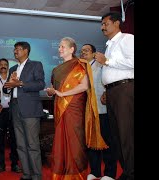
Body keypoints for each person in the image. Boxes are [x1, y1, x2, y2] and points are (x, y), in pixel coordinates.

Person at [45, 37, 108, 180]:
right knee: (61, 142)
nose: (59, 49)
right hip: (60, 108)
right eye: (59, 47)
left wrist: (62, 93)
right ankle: (61, 173)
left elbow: (84, 86)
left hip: (74, 109)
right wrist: (52, 92)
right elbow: (55, 89)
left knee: (75, 142)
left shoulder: (80, 65)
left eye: (62, 47)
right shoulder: (56, 69)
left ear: (72, 49)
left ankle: (75, 175)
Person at [94, 12, 134, 180]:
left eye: (105, 23)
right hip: (112, 92)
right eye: (102, 24)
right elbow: (112, 72)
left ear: (117, 23)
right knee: (116, 136)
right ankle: (127, 171)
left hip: (125, 90)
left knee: (126, 134)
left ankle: (131, 173)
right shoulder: (109, 45)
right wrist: (107, 91)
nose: (102, 27)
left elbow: (133, 62)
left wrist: (107, 62)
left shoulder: (127, 39)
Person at [3, 41, 45, 180]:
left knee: (32, 144)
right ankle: (26, 174)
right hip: (15, 108)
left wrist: (20, 83)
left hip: (30, 109)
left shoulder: (36, 65)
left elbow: (40, 84)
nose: (15, 52)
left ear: (26, 51)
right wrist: (9, 85)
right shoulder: (13, 68)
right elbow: (6, 88)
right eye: (14, 49)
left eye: (18, 49)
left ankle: (37, 175)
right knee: (20, 145)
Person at [80, 44, 117, 180]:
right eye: (82, 51)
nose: (83, 53)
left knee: (107, 142)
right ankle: (95, 171)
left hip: (102, 110)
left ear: (94, 53)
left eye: (87, 50)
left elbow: (110, 81)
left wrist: (107, 93)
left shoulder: (101, 66)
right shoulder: (80, 68)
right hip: (87, 112)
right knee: (91, 141)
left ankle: (109, 173)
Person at [0, 58, 21, 173]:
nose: (3, 66)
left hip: (13, 111)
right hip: (0, 113)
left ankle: (15, 164)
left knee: (14, 139)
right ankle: (1, 164)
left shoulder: (13, 79)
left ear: (8, 67)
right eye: (1, 65)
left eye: (5, 65)